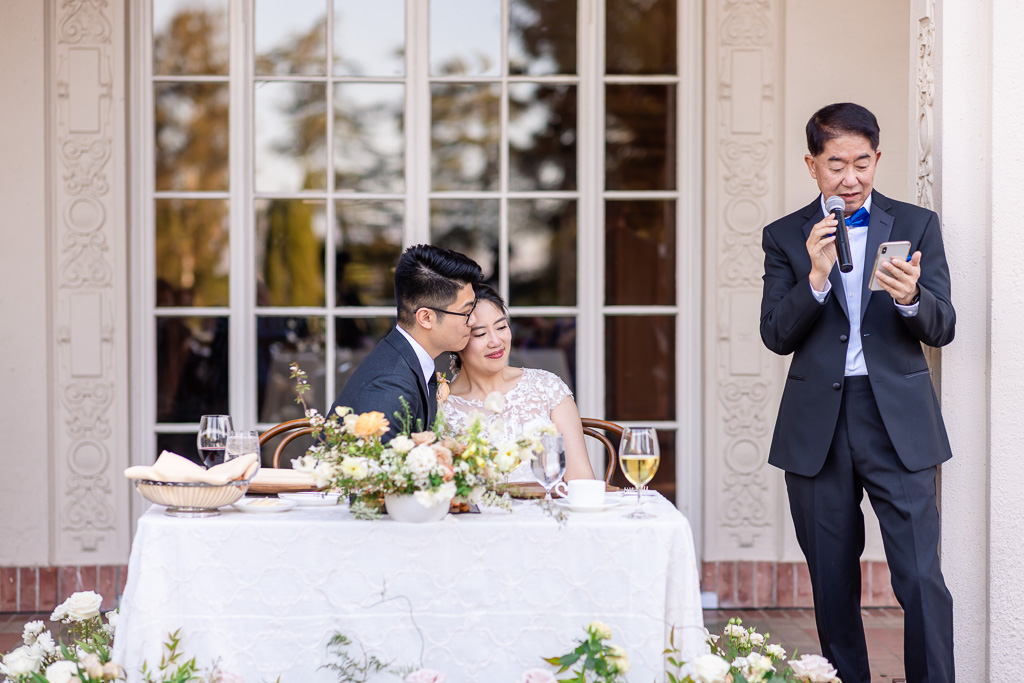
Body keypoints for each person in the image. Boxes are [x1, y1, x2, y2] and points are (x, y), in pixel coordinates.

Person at [759, 103, 955, 683]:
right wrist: (815, 278)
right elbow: (775, 334)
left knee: (921, 576)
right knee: (833, 581)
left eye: (862, 162)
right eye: (836, 164)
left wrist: (910, 299)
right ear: (812, 164)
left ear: (877, 159)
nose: (850, 178)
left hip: (898, 420)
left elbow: (943, 326)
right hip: (818, 425)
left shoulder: (916, 225)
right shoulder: (784, 237)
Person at [441, 284, 596, 482]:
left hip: (549, 511)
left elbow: (581, 480)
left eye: (501, 327)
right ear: (456, 341)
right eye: (480, 334)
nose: (496, 341)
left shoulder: (547, 388)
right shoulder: (441, 407)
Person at [330, 244, 483, 440]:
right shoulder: (390, 387)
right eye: (465, 312)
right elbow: (378, 468)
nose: (474, 320)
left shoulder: (405, 360)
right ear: (426, 318)